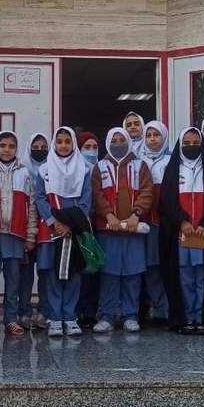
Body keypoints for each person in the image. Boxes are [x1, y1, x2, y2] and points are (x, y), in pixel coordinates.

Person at [157, 128, 204, 335]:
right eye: (186, 143)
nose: (191, 147)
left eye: (195, 143)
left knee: (202, 276)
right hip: (181, 235)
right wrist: (182, 221)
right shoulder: (173, 169)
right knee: (185, 277)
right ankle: (187, 318)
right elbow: (167, 201)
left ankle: (202, 318)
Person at [92, 128, 154, 332]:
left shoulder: (140, 165)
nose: (118, 144)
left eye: (122, 140)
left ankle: (130, 315)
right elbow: (96, 194)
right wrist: (108, 215)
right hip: (108, 229)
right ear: (108, 143)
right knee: (109, 274)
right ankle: (107, 316)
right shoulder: (99, 167)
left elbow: (147, 192)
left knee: (132, 274)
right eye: (114, 140)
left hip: (134, 230)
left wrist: (136, 214)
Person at [34, 127, 92, 337]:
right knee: (52, 273)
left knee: (73, 272)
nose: (64, 145)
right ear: (54, 144)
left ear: (74, 143)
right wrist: (54, 222)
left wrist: (71, 225)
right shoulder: (44, 169)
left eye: (68, 141)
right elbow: (40, 197)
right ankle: (55, 317)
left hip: (74, 230)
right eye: (59, 141)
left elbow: (86, 200)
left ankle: (70, 316)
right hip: (51, 230)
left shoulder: (84, 169)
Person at [0, 131, 38, 337]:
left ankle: (11, 318)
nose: (6, 150)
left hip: (16, 233)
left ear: (16, 149)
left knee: (13, 279)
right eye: (2, 145)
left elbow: (31, 206)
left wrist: (30, 235)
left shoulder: (24, 173)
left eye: (11, 146)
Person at [139, 120, 171, 324]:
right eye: (148, 135)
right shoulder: (137, 161)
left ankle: (164, 310)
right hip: (141, 223)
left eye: (156, 135)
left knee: (162, 266)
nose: (152, 139)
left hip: (165, 223)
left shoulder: (172, 160)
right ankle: (145, 308)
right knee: (146, 267)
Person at [20, 132, 51, 330]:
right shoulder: (22, 171)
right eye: (36, 147)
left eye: (43, 147)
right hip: (25, 229)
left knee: (45, 272)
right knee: (25, 274)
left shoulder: (54, 169)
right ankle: (23, 311)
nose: (40, 150)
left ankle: (44, 311)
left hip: (48, 228)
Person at [74, 131, 101, 327]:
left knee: (94, 270)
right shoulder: (74, 170)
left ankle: (91, 312)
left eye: (95, 147)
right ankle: (76, 311)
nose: (91, 151)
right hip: (79, 226)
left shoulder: (102, 169)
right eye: (87, 147)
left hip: (98, 226)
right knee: (79, 270)